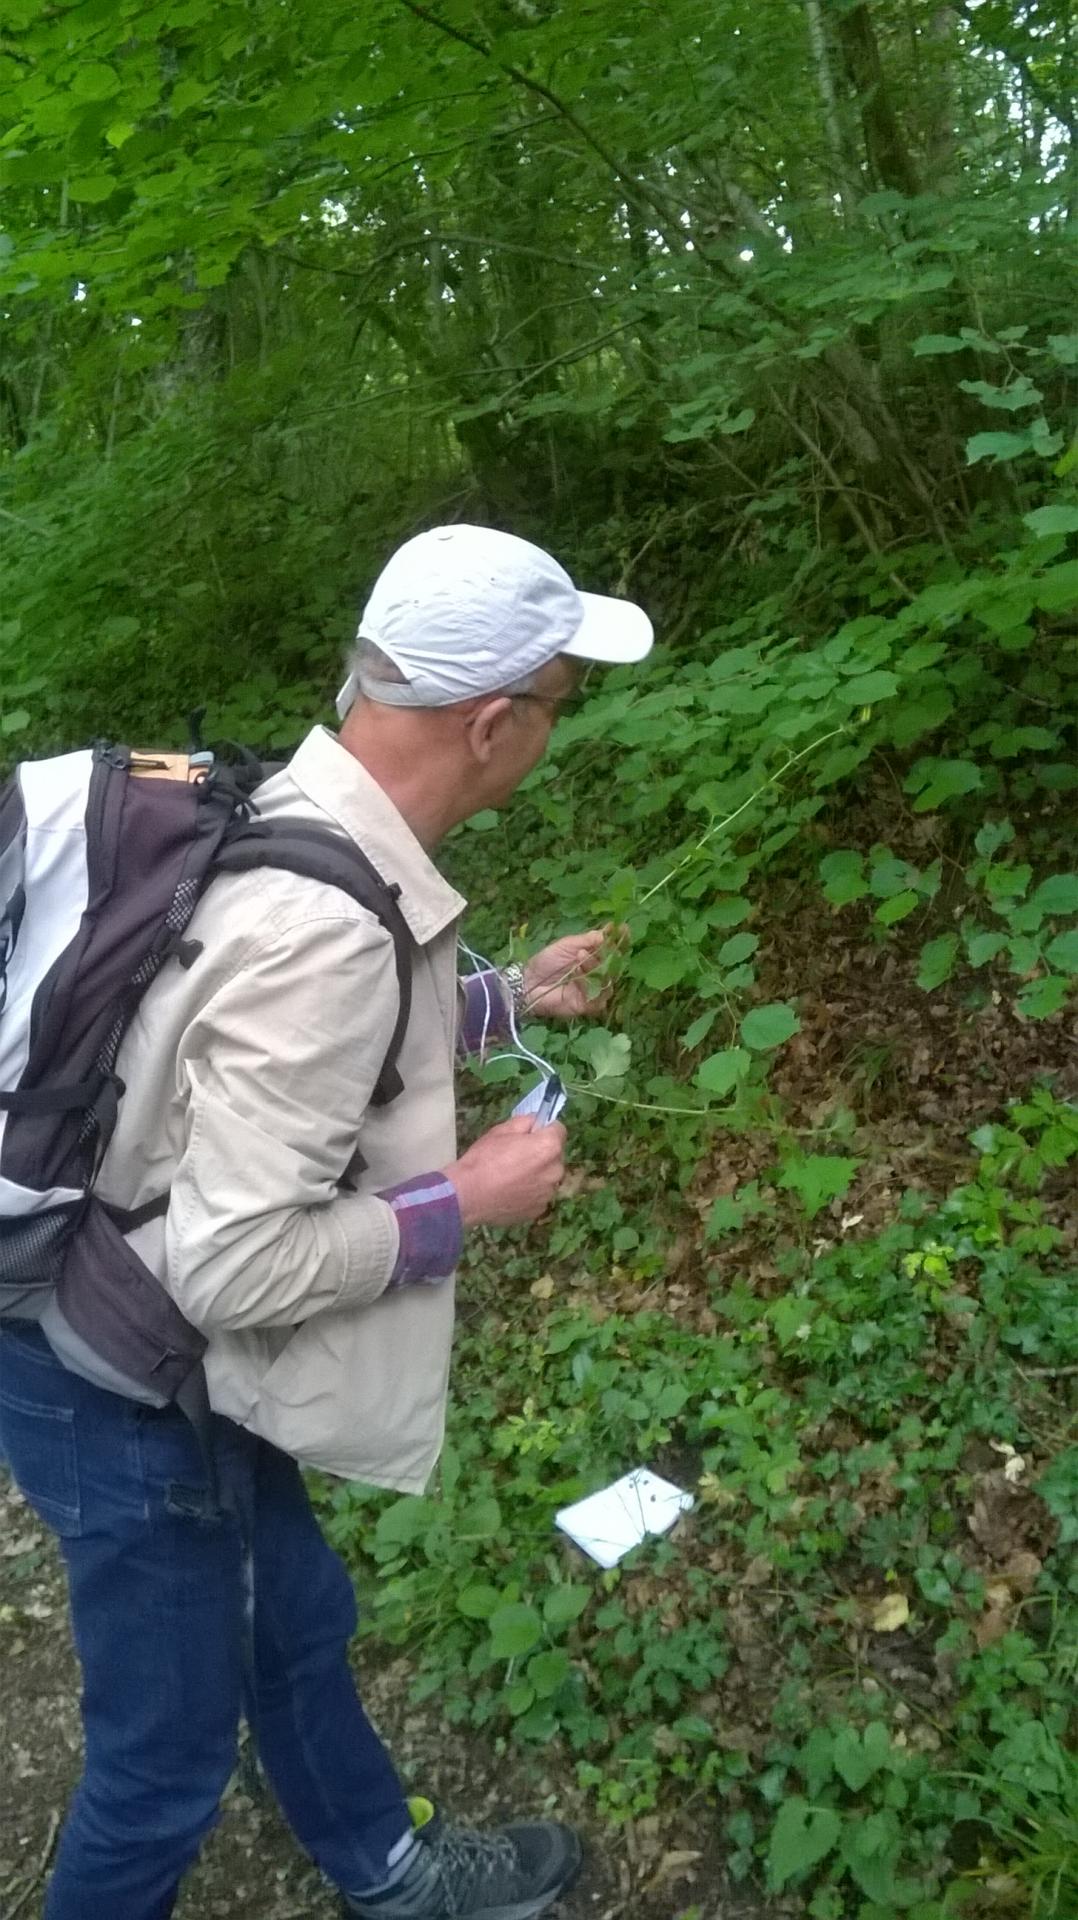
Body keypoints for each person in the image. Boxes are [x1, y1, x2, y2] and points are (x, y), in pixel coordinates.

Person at [0, 524, 654, 1920]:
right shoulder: (327, 924)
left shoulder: (292, 808)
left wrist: (511, 999)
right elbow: (237, 1263)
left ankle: (387, 1871)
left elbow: (230, 1047)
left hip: (132, 1351)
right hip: (124, 1390)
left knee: (296, 1626)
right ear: (492, 723)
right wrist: (458, 1203)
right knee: (160, 1770)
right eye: (553, 707)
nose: (549, 733)